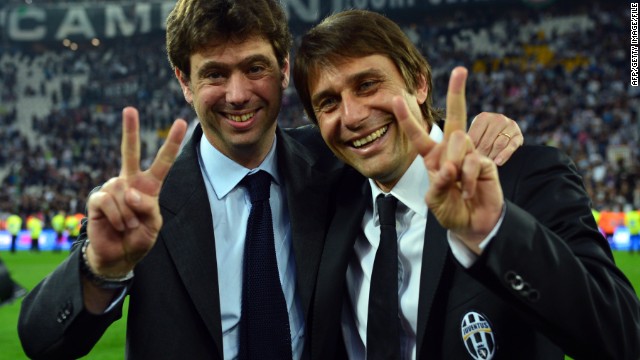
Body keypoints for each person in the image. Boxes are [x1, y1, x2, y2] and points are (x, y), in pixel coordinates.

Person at [18, 1, 522, 359]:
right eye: (214, 74)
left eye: (254, 67)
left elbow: (400, 135)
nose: (238, 94)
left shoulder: (335, 167)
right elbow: (42, 341)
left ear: (283, 69)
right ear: (183, 81)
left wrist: (488, 128)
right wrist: (101, 268)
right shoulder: (146, 202)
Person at [292, 9, 640, 360]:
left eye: (367, 85)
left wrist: (495, 233)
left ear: (419, 82)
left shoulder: (523, 178)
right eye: (329, 102)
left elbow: (624, 338)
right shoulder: (327, 196)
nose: (352, 116)